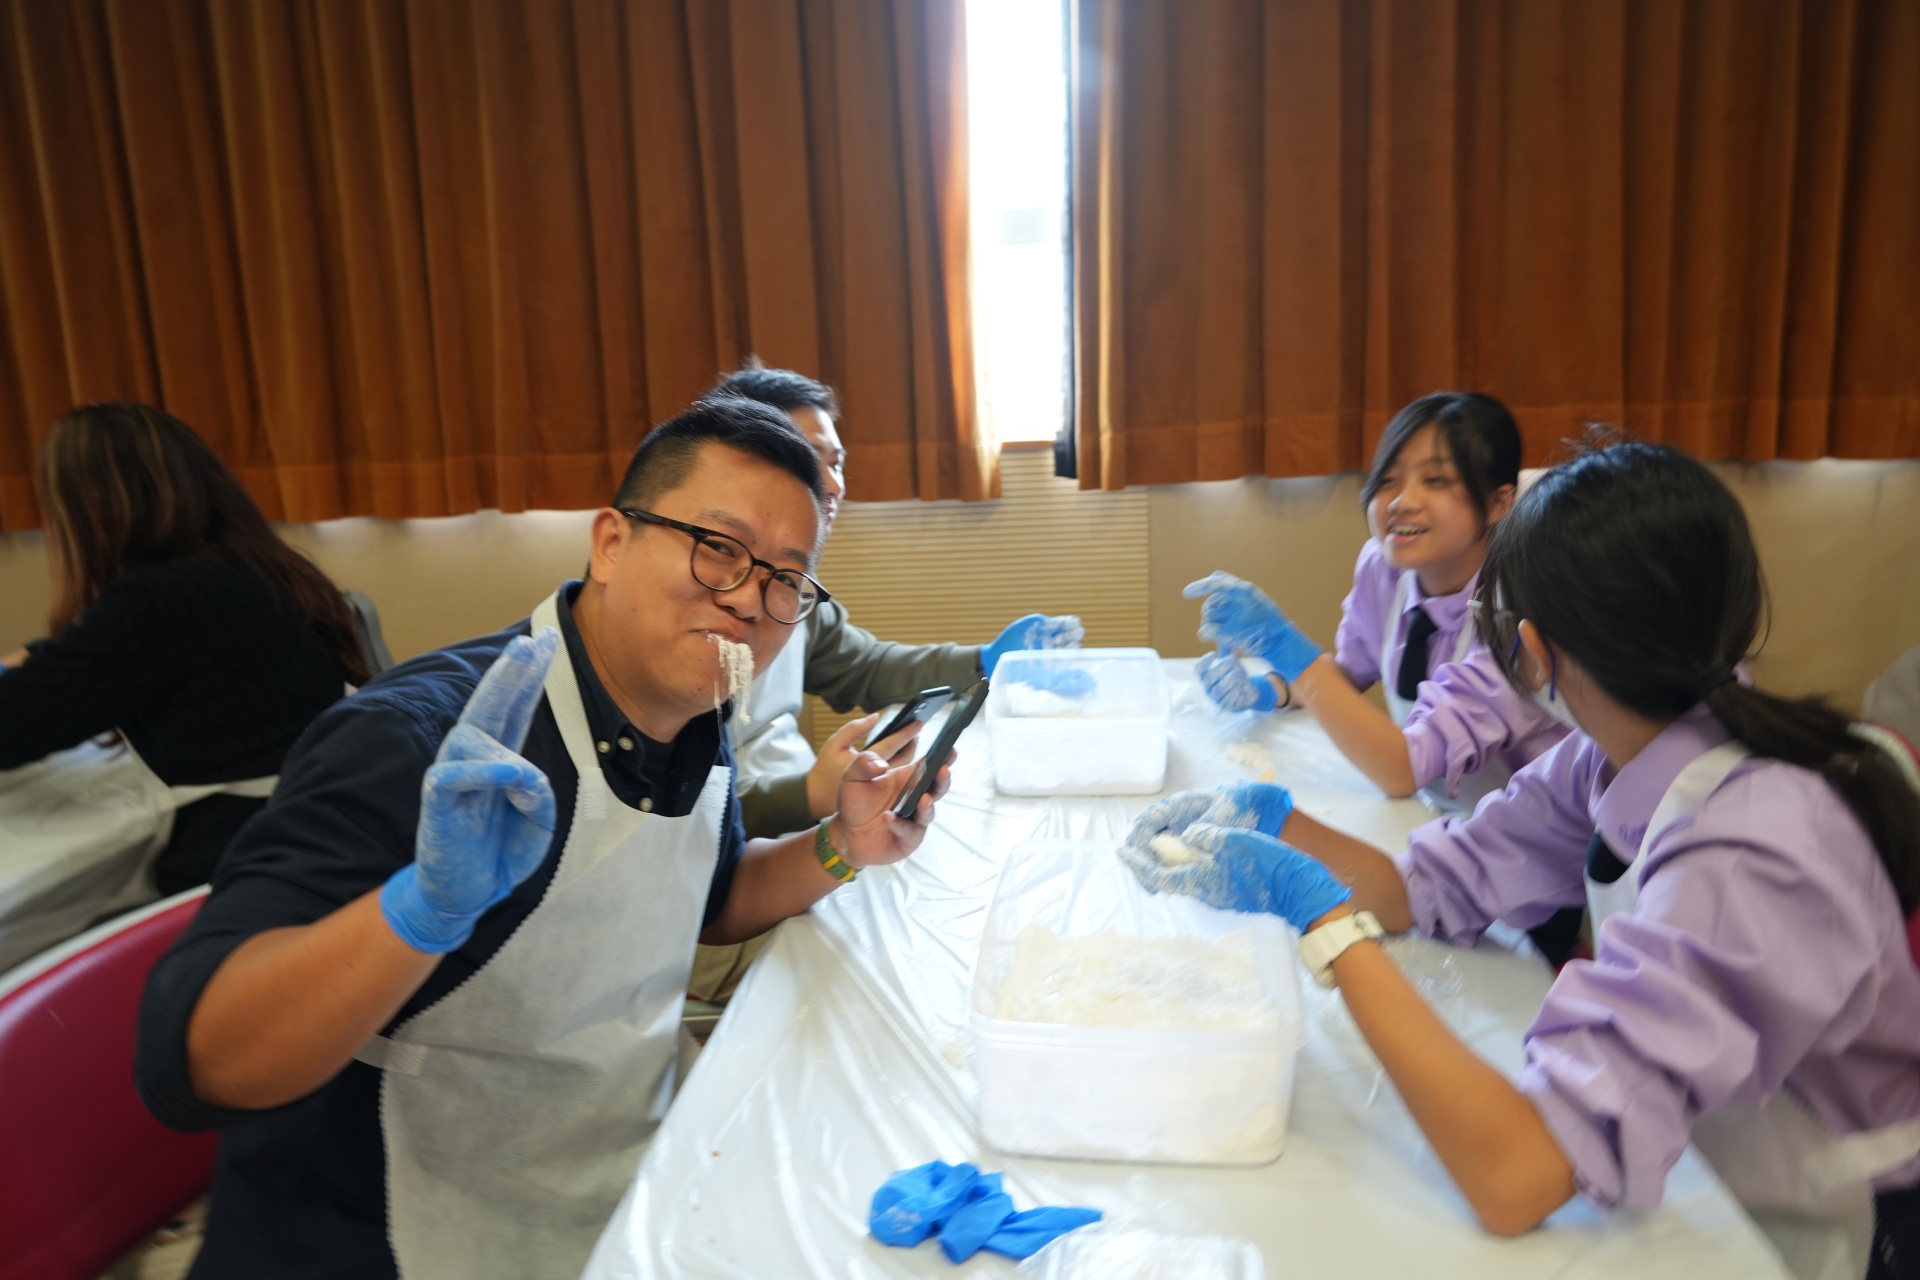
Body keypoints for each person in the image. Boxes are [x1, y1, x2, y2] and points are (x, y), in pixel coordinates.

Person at [135, 396, 954, 1280]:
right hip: (394, 1236)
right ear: (611, 543)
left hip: (612, 1178)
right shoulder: (420, 741)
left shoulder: (689, 713)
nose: (752, 598)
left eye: (787, 577)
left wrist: (841, 846)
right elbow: (194, 1065)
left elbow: (709, 902)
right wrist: (418, 914)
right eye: (718, 547)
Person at [1125, 440, 1920, 1280]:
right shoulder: (1613, 751)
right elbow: (1426, 883)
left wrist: (1327, 927)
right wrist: (1280, 828)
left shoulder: (1754, 849)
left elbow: (1516, 1175)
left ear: (1533, 650)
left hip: (1829, 1217)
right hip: (1705, 1147)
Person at [1185, 391, 1580, 961]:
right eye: (1388, 480)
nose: (1401, 502)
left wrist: (1287, 650)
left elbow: (1401, 768)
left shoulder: (1517, 613)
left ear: (1499, 502)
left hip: (1522, 864)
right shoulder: (1384, 565)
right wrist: (1270, 689)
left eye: (1435, 481)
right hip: (1431, 828)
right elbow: (1347, 672)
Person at [0, 402, 365, 897]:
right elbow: (102, 657)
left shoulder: (156, 600)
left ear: (91, 504)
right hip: (317, 829)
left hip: (236, 857)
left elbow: (15, 726)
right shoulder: (259, 565)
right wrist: (41, 656)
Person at [707, 360, 1082, 838]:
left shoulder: (797, 585)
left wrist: (984, 661)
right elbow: (681, 818)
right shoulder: (696, 603)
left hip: (801, 823)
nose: (834, 485)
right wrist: (813, 795)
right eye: (811, 460)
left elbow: (862, 667)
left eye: (837, 463)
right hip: (733, 840)